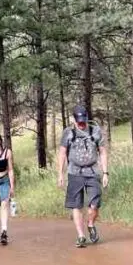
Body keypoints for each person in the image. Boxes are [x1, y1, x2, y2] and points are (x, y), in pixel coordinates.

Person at [57, 105, 108, 248]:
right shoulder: (68, 132)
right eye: (79, 121)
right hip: (74, 172)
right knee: (76, 205)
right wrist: (60, 173)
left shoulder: (95, 131)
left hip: (92, 172)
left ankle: (90, 224)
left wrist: (105, 173)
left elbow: (102, 152)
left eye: (83, 120)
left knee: (94, 204)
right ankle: (81, 236)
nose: (81, 123)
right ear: (74, 119)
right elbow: (62, 153)